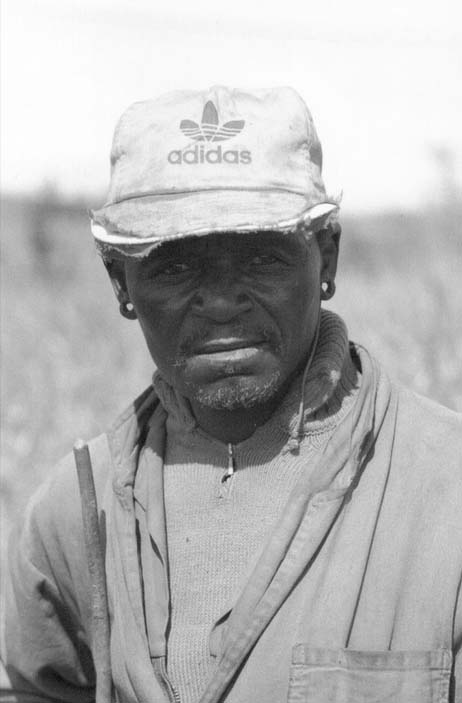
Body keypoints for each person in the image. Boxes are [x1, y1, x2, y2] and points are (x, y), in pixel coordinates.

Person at [3, 85, 462, 703]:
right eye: (174, 265)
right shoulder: (77, 514)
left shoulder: (446, 494)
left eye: (261, 258)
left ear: (326, 259)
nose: (221, 301)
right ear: (121, 283)